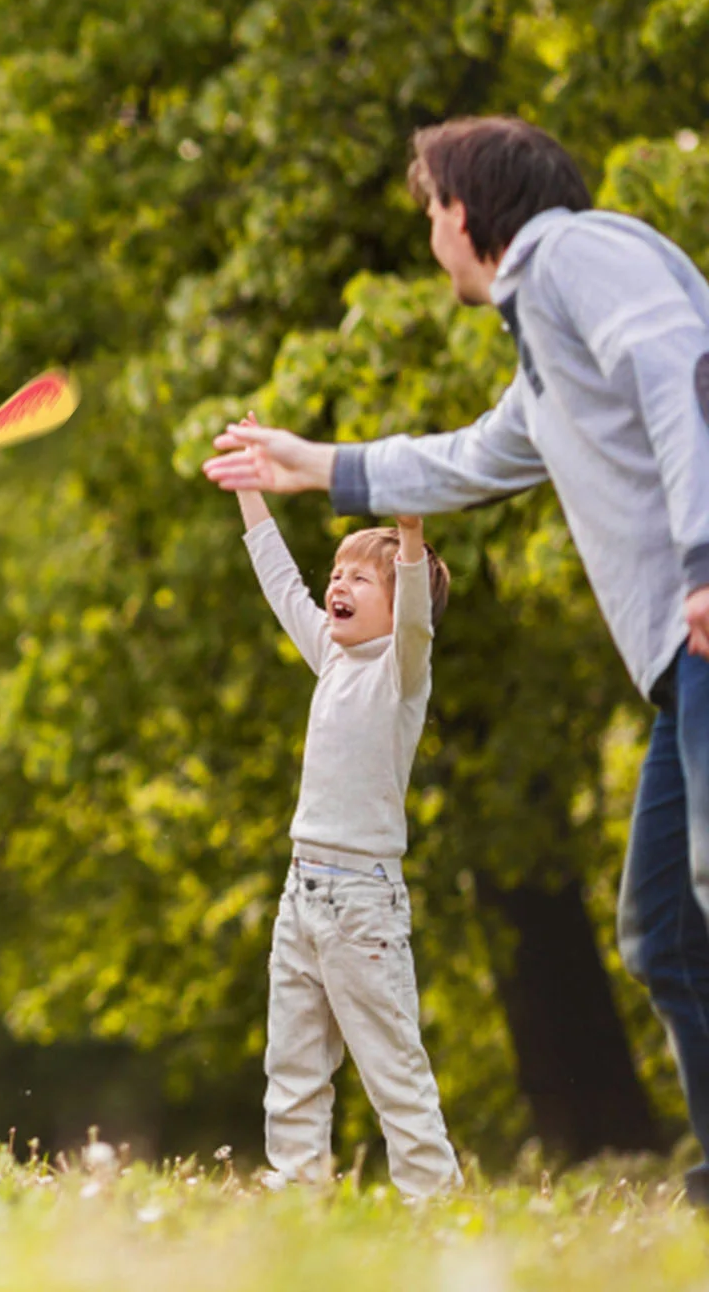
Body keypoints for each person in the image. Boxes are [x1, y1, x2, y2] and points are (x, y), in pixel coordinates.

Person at [204, 115, 709, 1199]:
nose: (429, 234)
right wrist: (311, 465)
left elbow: (679, 365)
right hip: (678, 668)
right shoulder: (546, 353)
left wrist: (705, 556)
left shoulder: (574, 252)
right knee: (662, 927)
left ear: (463, 211)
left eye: (429, 211)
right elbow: (470, 458)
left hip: (703, 623)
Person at [223, 435, 459, 1197]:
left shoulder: (400, 673)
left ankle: (436, 1203)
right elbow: (279, 578)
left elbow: (417, 619)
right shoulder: (330, 655)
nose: (340, 584)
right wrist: (251, 491)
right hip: (302, 895)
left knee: (392, 1066)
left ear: (397, 604)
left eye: (363, 576)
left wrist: (413, 537)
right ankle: (297, 1190)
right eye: (339, 573)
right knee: (291, 1061)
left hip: (363, 903)